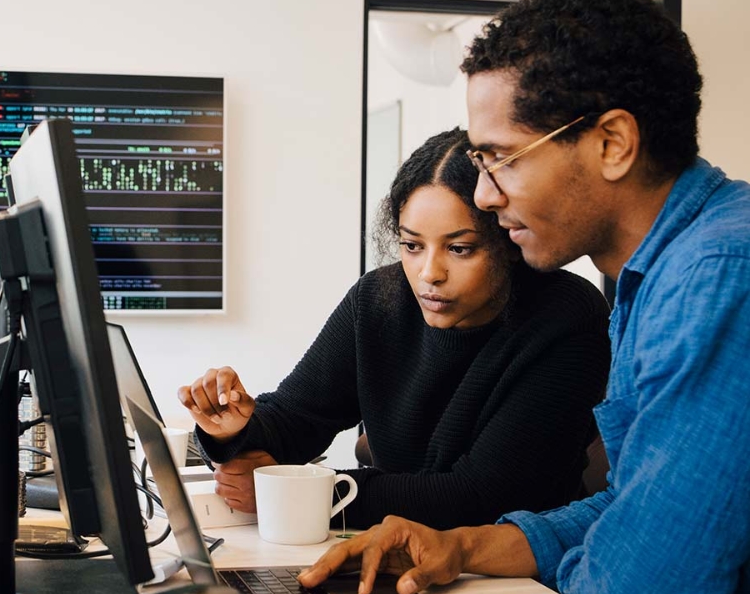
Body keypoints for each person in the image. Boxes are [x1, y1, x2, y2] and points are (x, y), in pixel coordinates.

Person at [298, 0, 750, 594]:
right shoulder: (652, 278)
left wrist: (585, 560)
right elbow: (627, 508)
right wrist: (463, 547)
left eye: (499, 158)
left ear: (613, 143)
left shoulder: (719, 275)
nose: (482, 194)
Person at [177, 128, 610, 531]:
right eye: (412, 245)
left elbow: (484, 496)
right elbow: (298, 415)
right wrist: (232, 430)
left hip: (513, 582)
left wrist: (302, 495)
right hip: (396, 552)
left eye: (459, 249)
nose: (429, 274)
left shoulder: (565, 317)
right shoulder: (379, 299)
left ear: (506, 242)